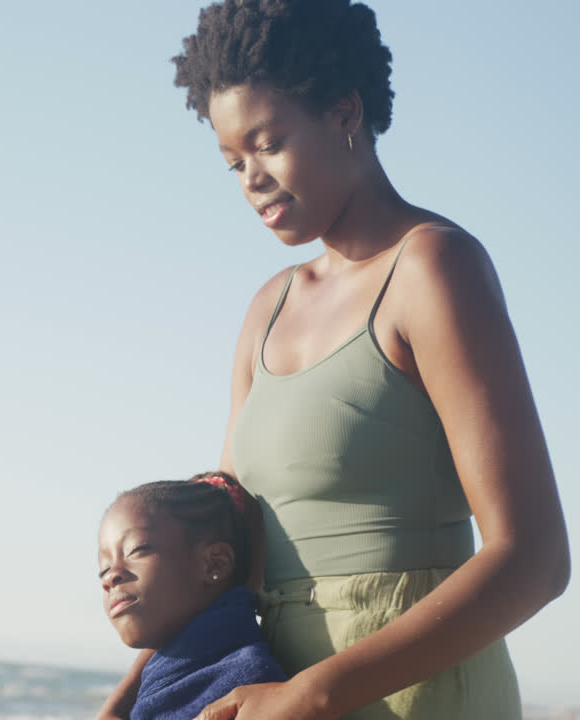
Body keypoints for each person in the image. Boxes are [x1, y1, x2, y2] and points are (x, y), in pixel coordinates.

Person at [97, 1, 570, 719]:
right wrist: (124, 701)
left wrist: (316, 691)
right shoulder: (268, 309)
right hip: (277, 694)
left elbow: (534, 560)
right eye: (234, 162)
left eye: (269, 143)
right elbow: (226, 555)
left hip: (417, 696)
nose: (251, 178)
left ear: (346, 111)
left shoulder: (433, 269)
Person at [99, 472, 286, 720]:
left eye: (136, 550)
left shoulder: (247, 687)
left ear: (215, 564)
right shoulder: (172, 674)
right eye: (103, 569)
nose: (111, 577)